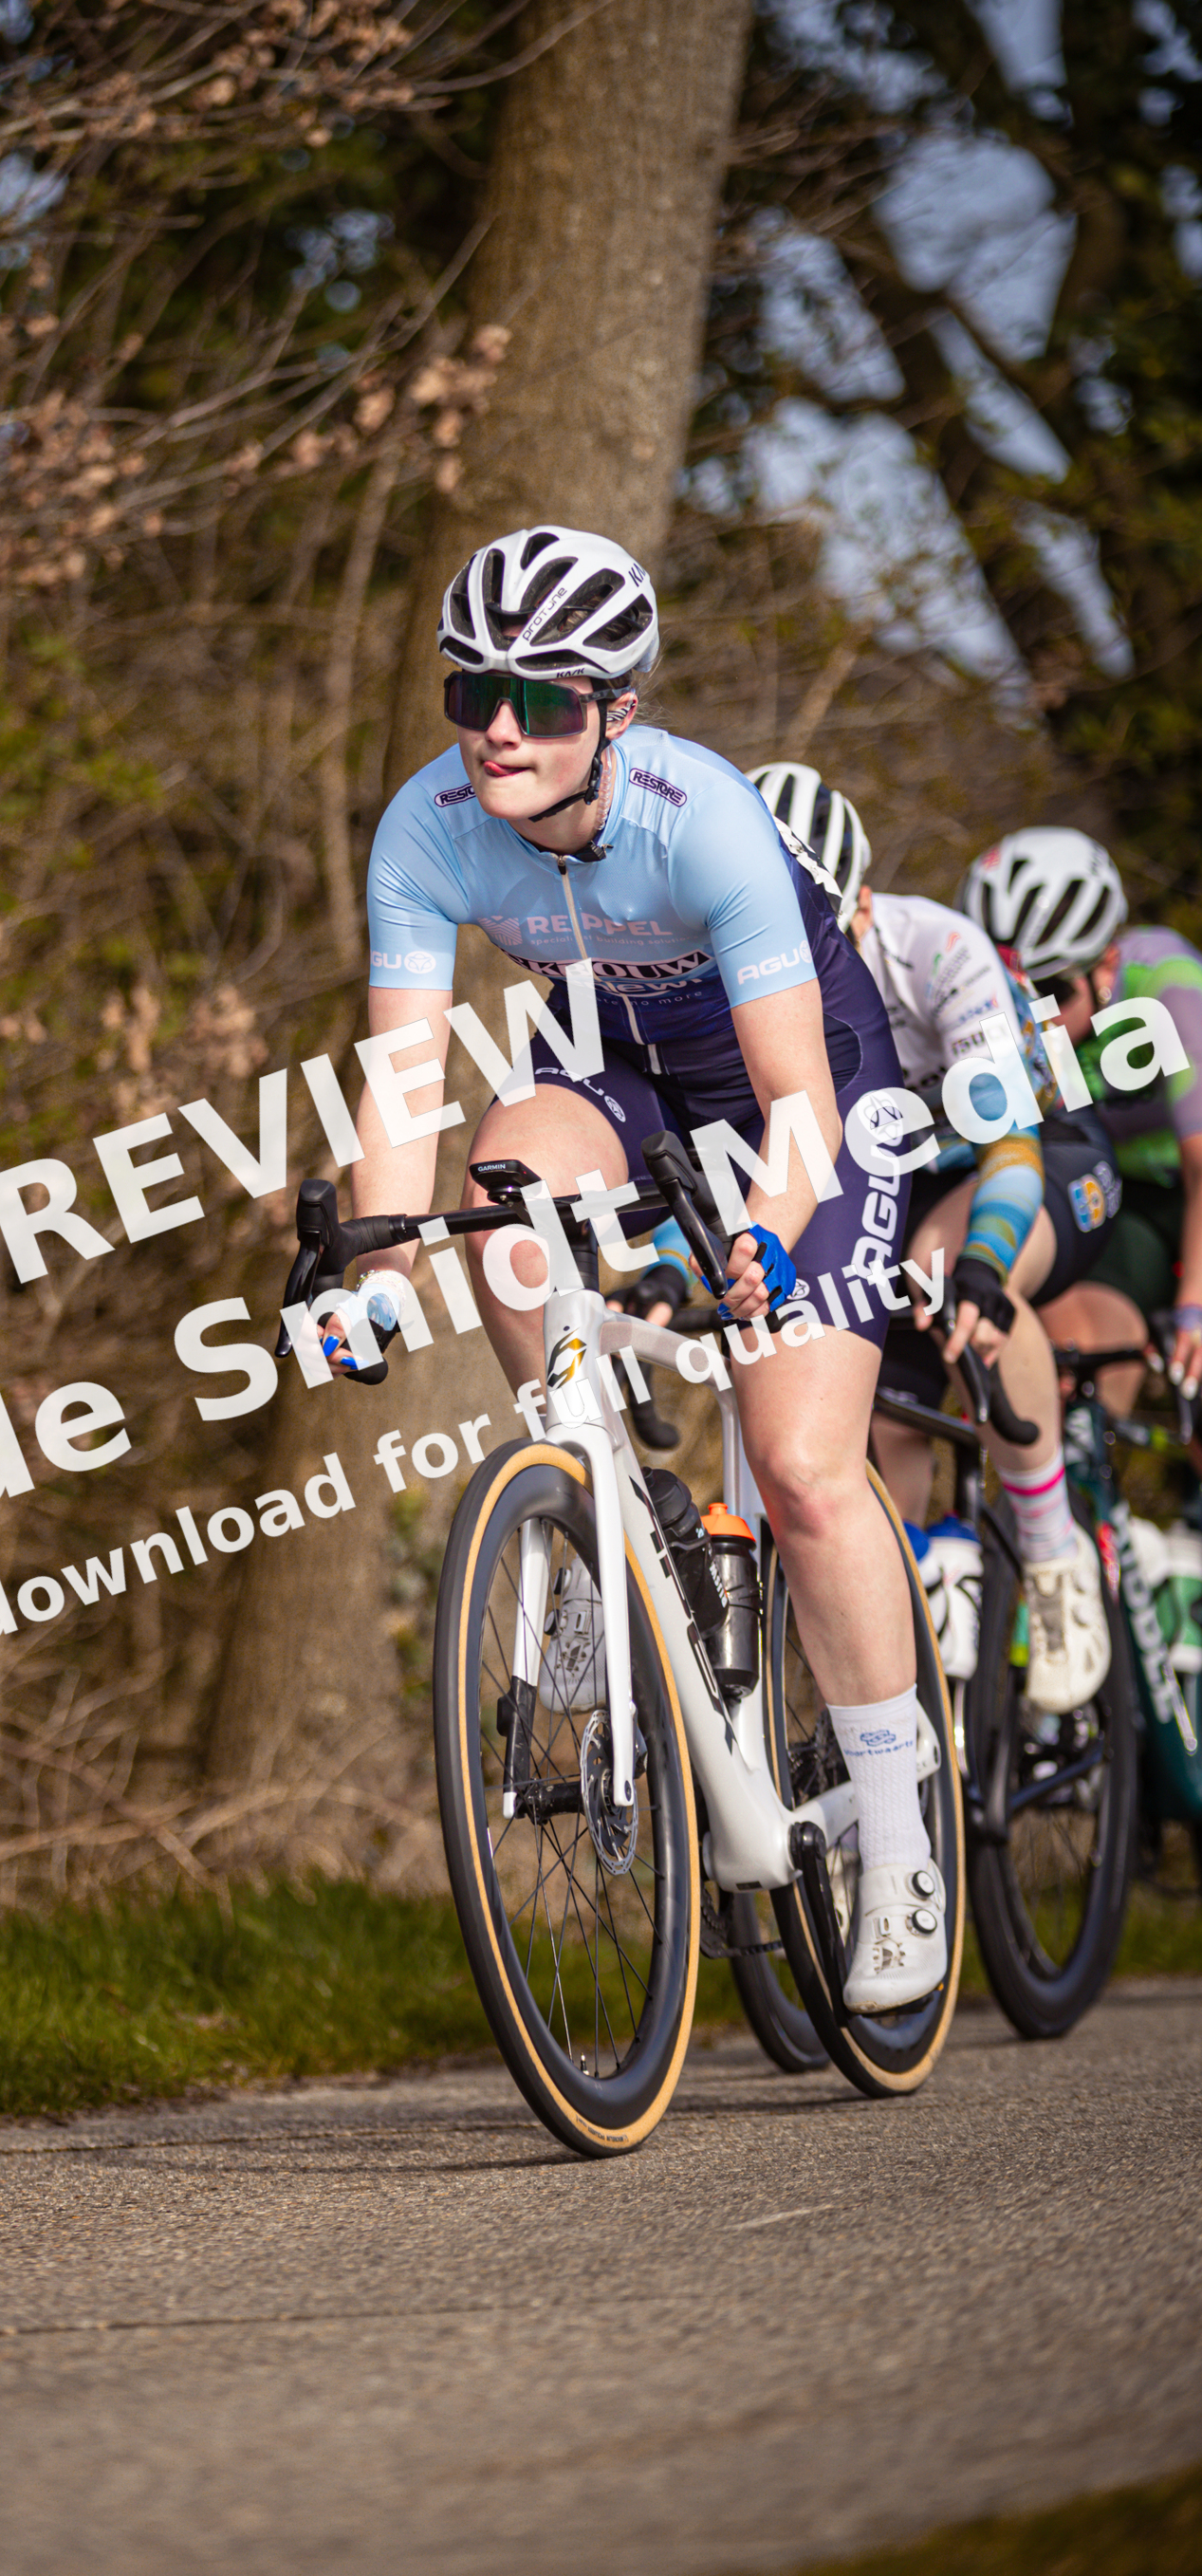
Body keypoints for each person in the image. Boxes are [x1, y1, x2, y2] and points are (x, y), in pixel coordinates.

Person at [328, 524, 943, 2013]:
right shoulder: (424, 828)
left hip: (808, 1086)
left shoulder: (706, 819)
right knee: (498, 1178)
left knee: (800, 1466)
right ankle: (588, 1483)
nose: (494, 729)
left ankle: (900, 1825)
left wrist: (767, 1229)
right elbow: (404, 1082)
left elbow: (797, 1103)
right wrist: (376, 1264)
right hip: (623, 1071)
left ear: (616, 711)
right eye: (473, 689)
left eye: (540, 701)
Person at [752, 768, 1118, 1714]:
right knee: (873, 1399)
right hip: (901, 1178)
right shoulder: (746, 975)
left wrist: (989, 1270)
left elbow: (1005, 1144)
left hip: (1024, 1157)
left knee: (951, 1280)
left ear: (860, 904)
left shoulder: (939, 953)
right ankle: (904, 1646)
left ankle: (1049, 1547)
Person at [958, 830, 1202, 1433]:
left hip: (1192, 1170)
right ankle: (1093, 1485)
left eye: (1051, 991)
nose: (1033, 1014)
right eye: (1016, 994)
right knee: (1074, 1344)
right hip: (1130, 1193)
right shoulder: (1013, 1026)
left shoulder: (1165, 984)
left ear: (1107, 966)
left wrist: (1195, 1307)